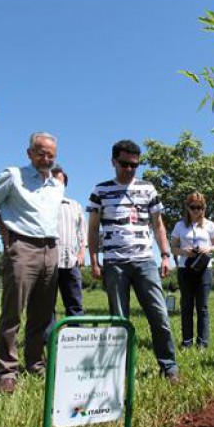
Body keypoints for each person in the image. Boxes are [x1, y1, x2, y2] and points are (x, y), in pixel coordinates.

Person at [87, 139, 180, 383]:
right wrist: (94, 260)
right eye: (124, 164)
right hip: (114, 263)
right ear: (113, 162)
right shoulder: (100, 191)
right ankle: (121, 369)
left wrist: (165, 255)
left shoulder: (148, 189)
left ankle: (169, 367)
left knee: (159, 316)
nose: (129, 169)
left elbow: (158, 225)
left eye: (134, 165)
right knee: (119, 320)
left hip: (145, 262)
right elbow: (93, 228)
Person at [0, 132, 65, 394]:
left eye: (51, 155)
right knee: (13, 312)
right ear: (29, 153)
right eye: (41, 153)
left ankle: (35, 363)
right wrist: (4, 232)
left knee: (43, 313)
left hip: (50, 249)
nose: (46, 158)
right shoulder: (13, 176)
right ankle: (7, 371)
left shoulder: (57, 185)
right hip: (22, 247)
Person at [171, 192, 214, 349]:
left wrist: (208, 249)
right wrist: (183, 251)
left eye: (200, 207)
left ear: (204, 208)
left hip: (204, 269)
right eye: (193, 207)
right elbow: (173, 248)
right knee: (186, 306)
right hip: (185, 268)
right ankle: (187, 342)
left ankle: (202, 343)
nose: (196, 210)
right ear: (187, 207)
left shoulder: (210, 225)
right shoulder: (180, 225)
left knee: (202, 307)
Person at [51, 166, 87, 317]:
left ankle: (76, 331)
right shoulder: (40, 204)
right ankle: (49, 333)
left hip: (70, 262)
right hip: (48, 262)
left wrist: (82, 253)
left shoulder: (74, 205)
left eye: (60, 182)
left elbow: (82, 231)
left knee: (75, 303)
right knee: (46, 306)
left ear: (64, 185)